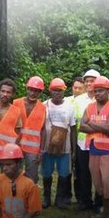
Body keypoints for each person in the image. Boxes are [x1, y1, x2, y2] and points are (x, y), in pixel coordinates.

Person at [80, 76, 109, 218]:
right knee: (99, 184)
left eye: (101, 90)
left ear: (108, 90)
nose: (97, 94)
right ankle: (104, 212)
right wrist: (100, 126)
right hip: (93, 149)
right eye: (95, 91)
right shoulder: (89, 107)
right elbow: (81, 127)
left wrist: (91, 123)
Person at [41, 78, 75, 209]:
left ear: (64, 91)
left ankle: (59, 199)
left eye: (60, 91)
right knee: (46, 172)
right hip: (47, 147)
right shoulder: (44, 105)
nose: (57, 93)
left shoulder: (69, 107)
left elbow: (73, 129)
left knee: (63, 173)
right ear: (50, 91)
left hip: (64, 147)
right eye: (54, 90)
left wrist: (73, 150)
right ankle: (46, 197)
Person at [74, 69, 102, 213]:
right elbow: (75, 124)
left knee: (98, 173)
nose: (89, 83)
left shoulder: (104, 100)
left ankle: (99, 203)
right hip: (81, 143)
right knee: (83, 174)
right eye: (87, 81)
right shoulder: (78, 100)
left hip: (98, 144)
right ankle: (85, 201)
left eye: (92, 81)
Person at [13, 76, 47, 183]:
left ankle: (29, 198)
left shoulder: (43, 108)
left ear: (40, 92)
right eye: (31, 90)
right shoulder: (16, 103)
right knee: (13, 174)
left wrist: (41, 151)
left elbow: (43, 130)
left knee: (31, 178)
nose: (33, 93)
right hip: (15, 145)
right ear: (27, 89)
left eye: (36, 91)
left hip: (33, 148)